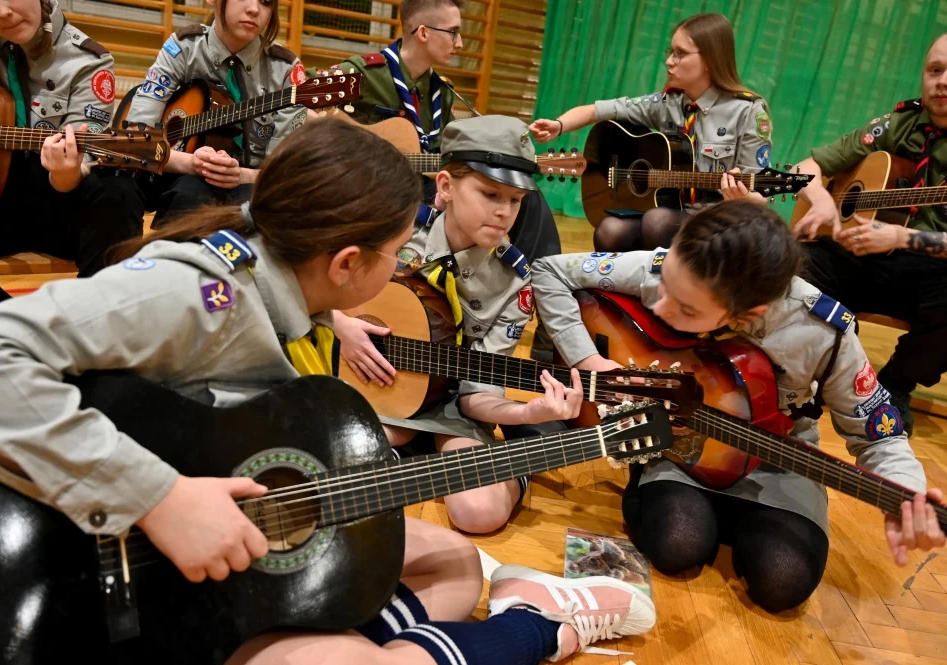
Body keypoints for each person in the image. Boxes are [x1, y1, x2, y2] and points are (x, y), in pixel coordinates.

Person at [0, 119, 654, 664]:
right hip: (59, 587)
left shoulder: (284, 284)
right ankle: (537, 625)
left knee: (456, 562)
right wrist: (157, 496)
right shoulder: (198, 292)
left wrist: (327, 313)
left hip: (191, 585)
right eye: (392, 250)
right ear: (347, 262)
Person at [531, 200, 945, 613]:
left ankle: (738, 513)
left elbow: (877, 432)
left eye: (687, 308)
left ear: (749, 314)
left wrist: (904, 491)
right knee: (678, 545)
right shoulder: (672, 268)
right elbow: (548, 270)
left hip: (777, 458)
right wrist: (589, 361)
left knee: (783, 582)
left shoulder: (822, 330)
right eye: (666, 288)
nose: (660, 306)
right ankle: (663, 483)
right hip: (680, 443)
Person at [335, 115, 583, 535]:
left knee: (479, 513)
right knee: (341, 451)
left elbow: (474, 397)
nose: (504, 212)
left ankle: (500, 465)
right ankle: (411, 455)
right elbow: (319, 286)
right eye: (490, 193)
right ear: (446, 187)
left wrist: (529, 412)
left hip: (451, 405)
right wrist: (340, 324)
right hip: (380, 382)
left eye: (517, 200)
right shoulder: (393, 229)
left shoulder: (515, 282)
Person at [792, 33, 947, 437]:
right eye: (935, 70)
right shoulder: (897, 125)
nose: (942, 81)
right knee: (794, 260)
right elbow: (803, 167)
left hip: (929, 273)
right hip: (860, 255)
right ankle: (838, 366)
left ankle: (894, 385)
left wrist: (899, 238)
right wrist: (823, 200)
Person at [329, 0, 562, 269]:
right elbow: (300, 103)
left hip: (424, 187)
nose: (460, 43)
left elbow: (446, 156)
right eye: (453, 32)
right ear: (424, 32)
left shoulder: (442, 91)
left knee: (521, 191)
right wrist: (357, 148)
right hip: (369, 189)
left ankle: (533, 278)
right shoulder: (364, 73)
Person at [0, 0, 145, 313]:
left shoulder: (88, 62)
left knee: (117, 187)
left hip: (54, 204)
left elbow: (74, 172)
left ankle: (93, 319)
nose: (2, 12)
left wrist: (65, 171)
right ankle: (0, 312)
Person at [529, 13, 772, 253]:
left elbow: (760, 196)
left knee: (657, 221)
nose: (669, 61)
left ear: (709, 59)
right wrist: (558, 125)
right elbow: (596, 111)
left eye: (680, 53)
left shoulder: (748, 111)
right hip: (671, 212)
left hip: (720, 224)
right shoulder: (667, 103)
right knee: (609, 230)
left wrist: (741, 197)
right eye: (671, 52)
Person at [126, 0, 310, 226]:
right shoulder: (183, 48)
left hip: (251, 183)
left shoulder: (286, 69)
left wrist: (241, 175)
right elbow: (133, 140)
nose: (254, 9)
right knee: (189, 193)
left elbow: (283, 173)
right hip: (176, 173)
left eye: (266, 2)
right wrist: (191, 163)